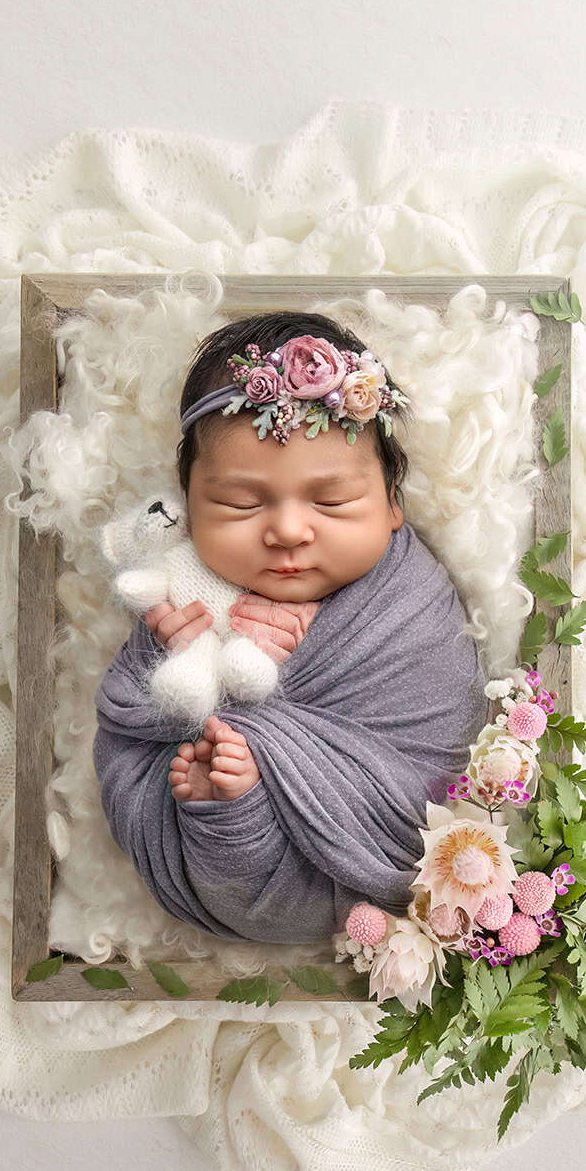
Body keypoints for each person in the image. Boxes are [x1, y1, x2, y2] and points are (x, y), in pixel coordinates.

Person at [93, 311, 489, 943]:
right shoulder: (183, 594)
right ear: (189, 504)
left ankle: (231, 801)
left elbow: (437, 754)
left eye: (331, 501)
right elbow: (125, 714)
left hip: (374, 829)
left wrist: (264, 720)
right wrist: (193, 672)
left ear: (393, 501)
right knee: (210, 779)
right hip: (209, 850)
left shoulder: (410, 608)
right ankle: (226, 812)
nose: (287, 530)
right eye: (240, 503)